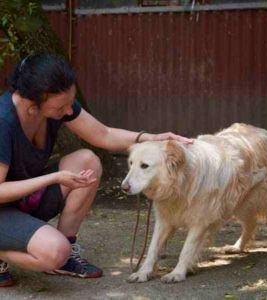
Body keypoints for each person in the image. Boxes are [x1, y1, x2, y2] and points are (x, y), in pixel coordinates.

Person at [0, 53, 192, 287]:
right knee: (53, 253)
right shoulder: (4, 122)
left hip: (22, 200)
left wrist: (151, 138)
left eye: (71, 101)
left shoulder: (55, 107)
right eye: (62, 106)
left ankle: (67, 253)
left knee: (88, 161)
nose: (69, 110)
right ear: (34, 103)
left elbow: (103, 134)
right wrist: (54, 178)